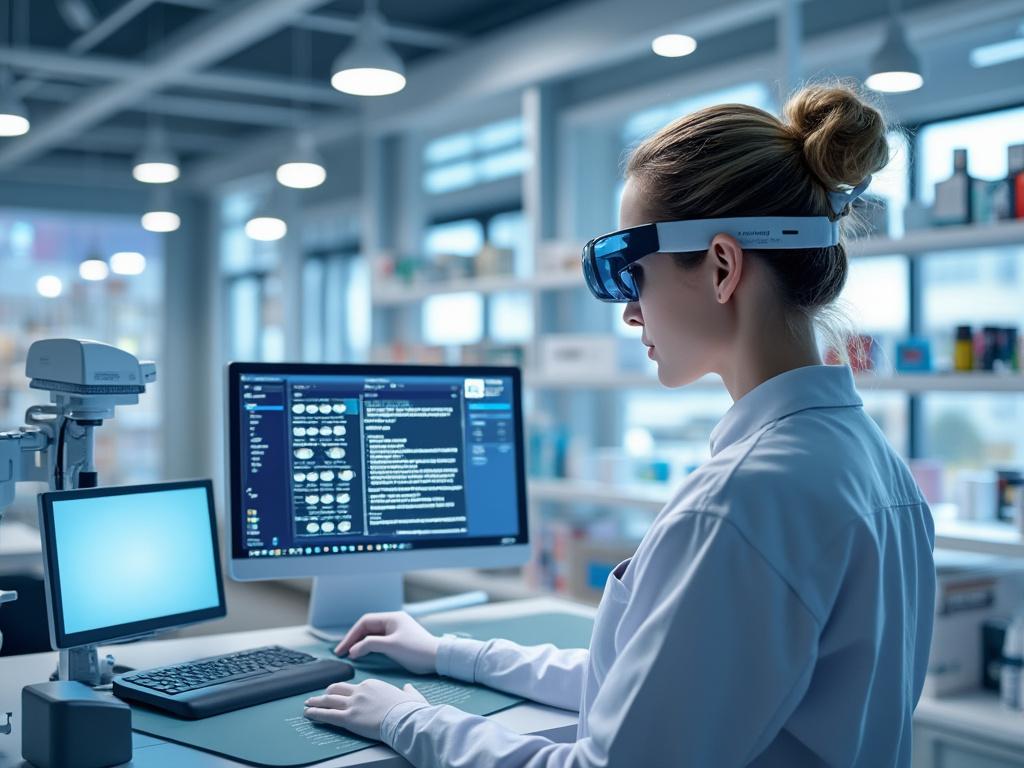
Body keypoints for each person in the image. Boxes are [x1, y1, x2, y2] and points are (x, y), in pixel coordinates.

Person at [302, 82, 936, 767]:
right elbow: (660, 687)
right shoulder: (870, 464)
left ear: (722, 266)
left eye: (634, 275)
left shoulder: (743, 503)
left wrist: (413, 722)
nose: (630, 311)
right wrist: (451, 653)